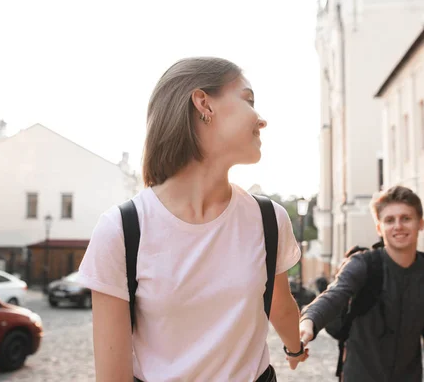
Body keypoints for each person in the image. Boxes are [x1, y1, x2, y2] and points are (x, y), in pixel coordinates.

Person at [77, 57, 308, 382]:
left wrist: (296, 347)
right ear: (204, 104)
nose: (261, 119)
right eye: (249, 100)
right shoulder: (122, 230)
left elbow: (280, 307)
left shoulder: (269, 219)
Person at [299, 185, 424, 382]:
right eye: (389, 220)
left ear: (421, 223)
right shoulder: (363, 264)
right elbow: (335, 295)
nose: (398, 226)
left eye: (406, 218)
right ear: (379, 227)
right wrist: (309, 321)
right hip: (359, 376)